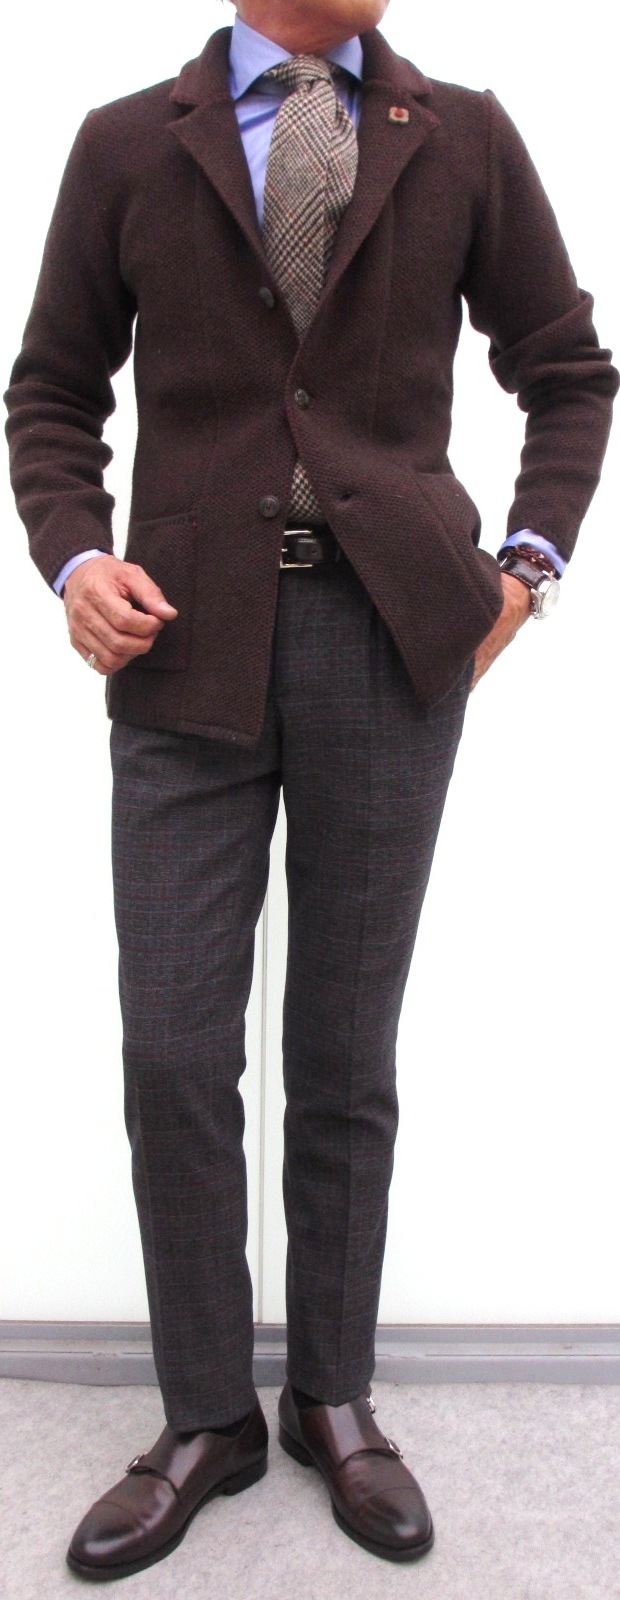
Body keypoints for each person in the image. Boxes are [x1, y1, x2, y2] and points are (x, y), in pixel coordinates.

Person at [4, 0, 617, 1581]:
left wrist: (525, 570)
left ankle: (332, 1397)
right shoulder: (127, 144)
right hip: (183, 642)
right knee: (173, 1050)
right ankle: (206, 1413)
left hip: (391, 639)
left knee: (345, 1052)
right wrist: (73, 558)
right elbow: (50, 392)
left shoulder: (461, 134)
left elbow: (568, 371)